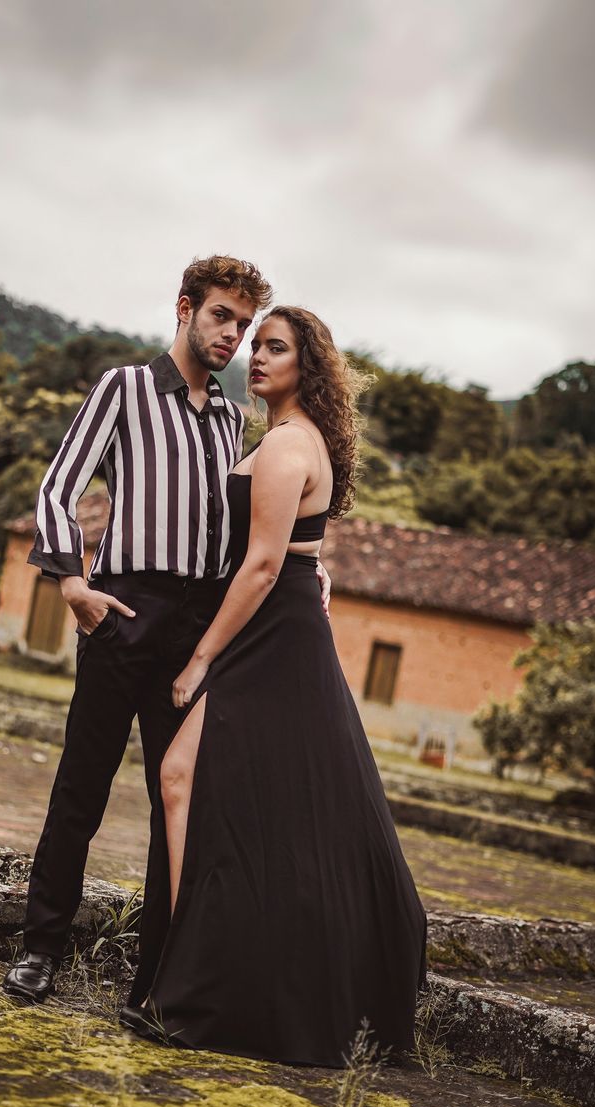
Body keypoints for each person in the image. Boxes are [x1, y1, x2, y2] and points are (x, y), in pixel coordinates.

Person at [121, 306, 427, 1067]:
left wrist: (198, 662)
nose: (256, 356)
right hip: (274, 621)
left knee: (183, 774)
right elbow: (286, 552)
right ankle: (193, 974)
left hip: (270, 632)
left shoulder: (290, 445)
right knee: (211, 786)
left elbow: (261, 565)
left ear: (307, 365)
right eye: (254, 345)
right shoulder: (281, 440)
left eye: (275, 347)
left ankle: (187, 983)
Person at [2, 256, 295, 1002]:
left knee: (181, 799)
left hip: (195, 632)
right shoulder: (125, 388)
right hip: (123, 612)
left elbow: (242, 531)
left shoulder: (233, 419)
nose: (232, 335)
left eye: (244, 324)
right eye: (221, 316)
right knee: (80, 793)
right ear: (185, 308)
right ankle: (39, 949)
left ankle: (162, 968)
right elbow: (58, 487)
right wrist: (72, 583)